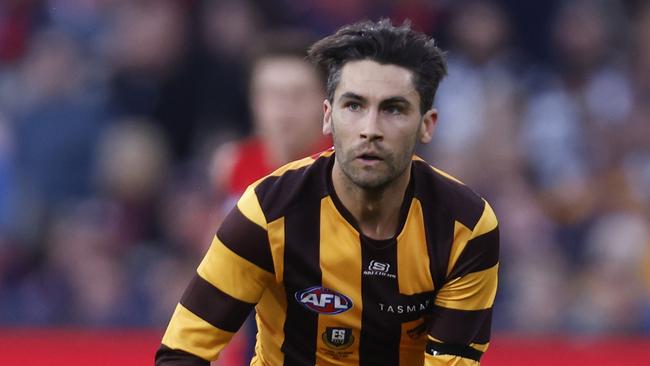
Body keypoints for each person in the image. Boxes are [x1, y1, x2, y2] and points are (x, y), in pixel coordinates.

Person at [156, 19, 499, 366]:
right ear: (327, 115)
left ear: (427, 124)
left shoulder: (466, 227)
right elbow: (182, 352)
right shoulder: (263, 210)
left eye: (393, 109)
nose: (370, 129)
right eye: (354, 106)